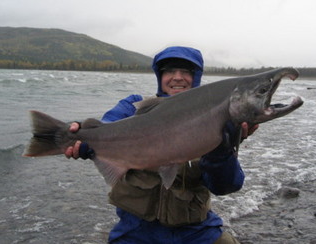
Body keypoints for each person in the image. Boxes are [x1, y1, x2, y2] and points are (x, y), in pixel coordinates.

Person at [65, 46, 258, 244]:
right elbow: (107, 125)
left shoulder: (215, 119)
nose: (177, 77)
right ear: (159, 75)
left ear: (197, 77)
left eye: (186, 72)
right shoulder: (133, 106)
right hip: (135, 230)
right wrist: (82, 135)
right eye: (169, 71)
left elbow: (225, 186)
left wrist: (222, 151)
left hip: (195, 231)